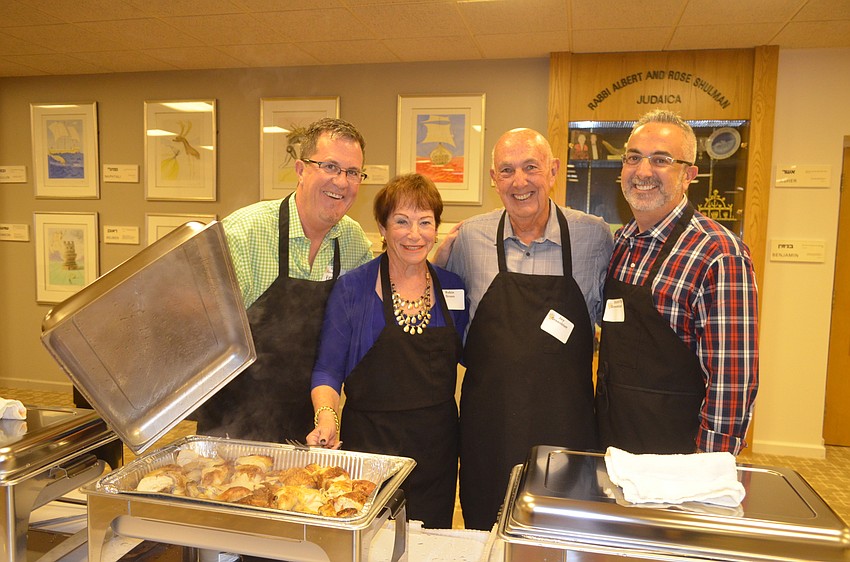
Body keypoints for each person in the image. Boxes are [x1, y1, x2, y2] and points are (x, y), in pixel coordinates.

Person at [434, 128, 613, 531]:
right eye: (507, 170)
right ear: (493, 179)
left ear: (552, 171)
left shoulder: (594, 237)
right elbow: (443, 322)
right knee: (489, 530)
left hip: (567, 427)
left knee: (564, 534)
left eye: (531, 168)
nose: (520, 182)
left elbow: (616, 324)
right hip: (490, 428)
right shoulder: (469, 239)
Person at [193, 118, 373, 443]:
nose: (342, 182)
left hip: (307, 421)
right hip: (232, 420)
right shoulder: (247, 232)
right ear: (301, 169)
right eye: (330, 166)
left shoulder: (353, 243)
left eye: (352, 172)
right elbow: (204, 333)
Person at [306, 173, 468, 529]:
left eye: (425, 222)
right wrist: (326, 417)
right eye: (401, 222)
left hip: (436, 453)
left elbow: (475, 357)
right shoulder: (353, 289)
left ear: (436, 228)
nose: (415, 234)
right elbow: (328, 370)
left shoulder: (452, 288)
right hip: (369, 453)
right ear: (381, 227)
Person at [596, 109, 759, 456]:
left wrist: (707, 469)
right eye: (633, 158)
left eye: (661, 160)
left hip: (678, 459)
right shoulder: (623, 241)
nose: (643, 171)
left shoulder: (718, 253)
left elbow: (732, 381)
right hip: (613, 445)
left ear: (689, 175)